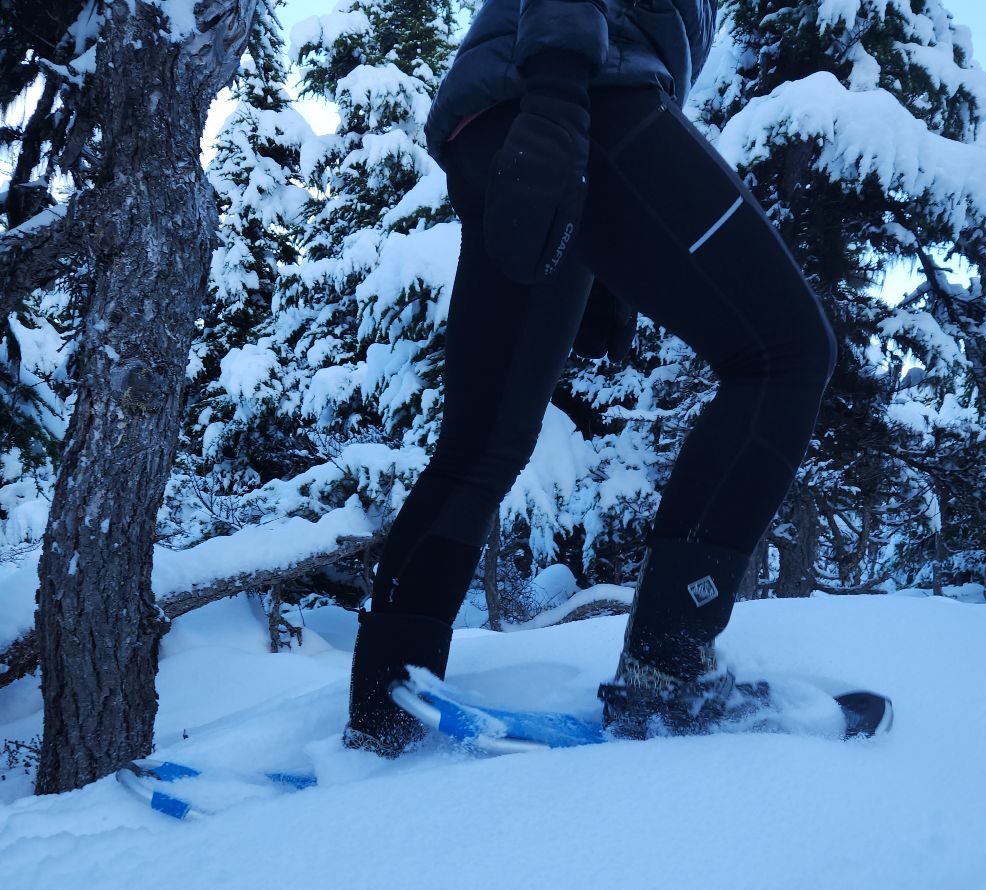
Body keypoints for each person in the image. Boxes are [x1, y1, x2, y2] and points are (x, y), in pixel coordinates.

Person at [344, 0, 838, 755]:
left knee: (482, 446)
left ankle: (382, 716)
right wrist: (559, 92)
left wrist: (606, 256)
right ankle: (669, 673)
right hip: (572, 87)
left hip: (519, 108)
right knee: (787, 354)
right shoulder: (572, 76)